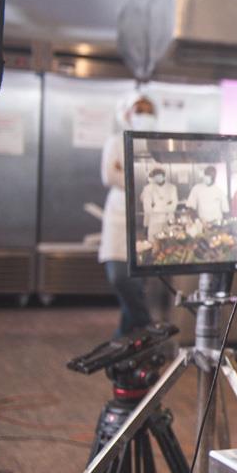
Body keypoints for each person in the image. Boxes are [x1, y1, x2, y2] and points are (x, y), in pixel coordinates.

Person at [98, 95, 157, 336]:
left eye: (148, 111)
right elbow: (109, 176)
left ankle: (126, 357)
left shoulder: (151, 145)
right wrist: (138, 180)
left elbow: (153, 179)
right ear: (127, 114)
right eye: (139, 111)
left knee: (136, 287)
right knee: (121, 278)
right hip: (118, 219)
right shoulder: (116, 142)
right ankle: (149, 329)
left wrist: (129, 175)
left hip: (144, 222)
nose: (144, 116)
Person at [140, 167, 178, 240]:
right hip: (154, 221)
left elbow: (173, 205)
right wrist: (165, 205)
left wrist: (155, 206)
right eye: (155, 176)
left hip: (168, 219)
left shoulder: (172, 188)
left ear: (164, 176)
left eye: (159, 175)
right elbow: (147, 207)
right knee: (153, 242)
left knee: (170, 242)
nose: (157, 178)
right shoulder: (148, 188)